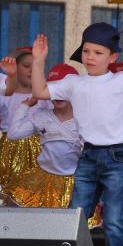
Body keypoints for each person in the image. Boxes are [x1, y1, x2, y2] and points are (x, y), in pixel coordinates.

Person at [30, 23, 123, 246]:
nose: (90, 57)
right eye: (86, 51)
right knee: (77, 215)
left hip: (117, 156)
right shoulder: (73, 82)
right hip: (88, 155)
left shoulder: (122, 80)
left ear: (112, 57)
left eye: (98, 52)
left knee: (114, 218)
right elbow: (41, 91)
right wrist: (38, 62)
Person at [6, 64, 80, 208]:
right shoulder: (41, 117)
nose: (57, 93)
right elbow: (13, 134)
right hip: (42, 178)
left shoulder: (83, 120)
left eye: (63, 89)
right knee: (33, 215)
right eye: (52, 88)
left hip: (74, 182)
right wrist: (24, 107)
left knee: (71, 218)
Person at [0, 47, 41, 205]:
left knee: (34, 193)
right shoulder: (5, 94)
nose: (31, 70)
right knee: (8, 190)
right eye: (26, 66)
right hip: (9, 148)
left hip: (38, 150)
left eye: (35, 66)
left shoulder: (43, 96)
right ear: (14, 68)